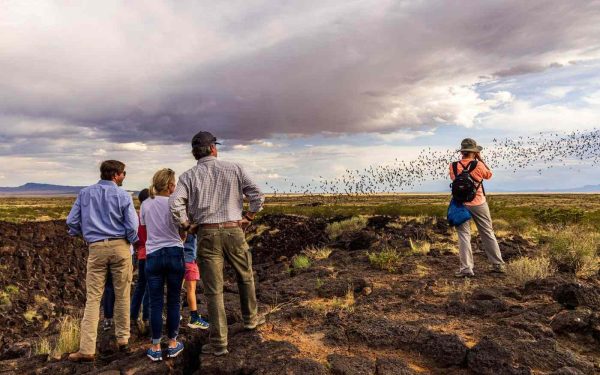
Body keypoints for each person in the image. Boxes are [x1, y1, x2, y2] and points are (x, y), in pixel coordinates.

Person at [170, 131, 265, 357]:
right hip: (234, 230)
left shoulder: (188, 176)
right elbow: (257, 195)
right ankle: (250, 320)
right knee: (245, 276)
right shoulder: (235, 168)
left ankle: (219, 343)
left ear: (195, 153)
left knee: (214, 290)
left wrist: (186, 225)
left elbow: (175, 204)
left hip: (207, 233)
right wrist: (250, 217)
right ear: (213, 148)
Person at [66, 160, 138, 362]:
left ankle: (87, 349)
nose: (124, 176)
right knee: (122, 294)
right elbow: (132, 226)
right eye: (123, 173)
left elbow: (71, 221)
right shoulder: (123, 196)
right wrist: (132, 242)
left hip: (96, 248)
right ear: (116, 174)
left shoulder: (85, 193)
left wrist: (87, 236)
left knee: (93, 299)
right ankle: (123, 339)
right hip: (120, 247)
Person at [142, 169, 186, 361]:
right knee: (174, 300)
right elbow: (184, 228)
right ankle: (173, 343)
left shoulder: (145, 204)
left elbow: (144, 228)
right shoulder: (175, 203)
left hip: (153, 255)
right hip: (175, 253)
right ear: (170, 186)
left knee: (155, 302)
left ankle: (156, 346)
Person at [449, 138, 506, 278]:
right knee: (487, 233)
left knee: (463, 236)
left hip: (460, 205)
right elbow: (489, 175)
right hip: (479, 203)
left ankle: (466, 269)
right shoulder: (479, 165)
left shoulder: (453, 166)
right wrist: (480, 161)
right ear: (474, 152)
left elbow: (453, 180)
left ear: (462, 152)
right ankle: (497, 265)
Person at [130, 188, 151, 334]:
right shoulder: (151, 216)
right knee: (151, 287)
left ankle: (132, 316)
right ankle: (147, 317)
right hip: (152, 254)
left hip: (141, 255)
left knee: (140, 286)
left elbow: (134, 238)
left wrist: (138, 247)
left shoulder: (137, 217)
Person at [183, 233, 210, 329]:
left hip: (176, 259)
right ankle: (194, 318)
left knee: (176, 290)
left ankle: (175, 316)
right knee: (191, 290)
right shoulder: (190, 228)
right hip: (189, 260)